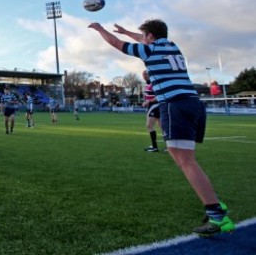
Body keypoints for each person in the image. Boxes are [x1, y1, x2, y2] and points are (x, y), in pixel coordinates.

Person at [89, 18, 235, 236]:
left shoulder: (150, 50)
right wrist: (127, 31)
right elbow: (142, 38)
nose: (143, 39)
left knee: (186, 162)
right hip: (192, 102)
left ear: (150, 37)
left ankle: (217, 216)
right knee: (187, 160)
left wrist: (100, 29)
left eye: (144, 36)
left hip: (174, 105)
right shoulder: (171, 46)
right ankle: (215, 205)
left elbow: (117, 44)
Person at [141, 70, 161, 152]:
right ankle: (171, 146)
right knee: (162, 126)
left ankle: (154, 147)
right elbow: (148, 96)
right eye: (143, 74)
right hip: (152, 106)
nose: (144, 76)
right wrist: (145, 101)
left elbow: (159, 96)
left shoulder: (154, 84)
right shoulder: (147, 84)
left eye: (146, 74)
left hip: (155, 106)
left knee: (149, 125)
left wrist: (148, 101)